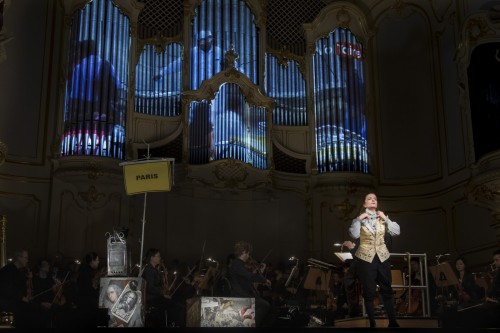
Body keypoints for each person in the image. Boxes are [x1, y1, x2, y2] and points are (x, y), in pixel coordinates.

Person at [348, 193, 401, 328]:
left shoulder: (382, 218)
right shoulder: (359, 220)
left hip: (382, 257)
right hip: (366, 258)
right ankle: (372, 323)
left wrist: (386, 219)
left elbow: (397, 232)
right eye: (369, 199)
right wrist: (359, 219)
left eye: (375, 199)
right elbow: (354, 234)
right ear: (365, 204)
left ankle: (393, 322)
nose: (373, 200)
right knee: (369, 290)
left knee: (387, 289)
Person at [153, 29, 224, 89]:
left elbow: (232, 66)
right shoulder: (192, 52)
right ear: (198, 42)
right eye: (201, 41)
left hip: (214, 91)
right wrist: (161, 73)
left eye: (207, 40)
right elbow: (177, 64)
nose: (204, 43)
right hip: (196, 91)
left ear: (211, 40)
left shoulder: (220, 52)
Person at [228, 240, 272, 327]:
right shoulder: (237, 264)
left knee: (262, 302)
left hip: (242, 293)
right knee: (265, 305)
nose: (249, 255)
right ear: (243, 252)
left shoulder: (238, 264)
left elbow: (247, 277)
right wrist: (264, 280)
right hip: (240, 295)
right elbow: (250, 276)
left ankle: (249, 322)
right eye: (248, 253)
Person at [141, 248, 185, 327]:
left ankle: (170, 323)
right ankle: (173, 324)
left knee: (178, 302)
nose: (160, 258)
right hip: (152, 299)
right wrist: (162, 294)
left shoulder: (154, 269)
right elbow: (150, 288)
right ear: (152, 258)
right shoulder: (149, 270)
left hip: (156, 297)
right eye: (158, 256)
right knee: (178, 307)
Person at [75, 252, 103, 327]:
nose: (98, 262)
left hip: (83, 304)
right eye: (97, 260)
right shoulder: (87, 272)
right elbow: (89, 289)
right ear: (92, 261)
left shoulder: (84, 270)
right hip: (87, 305)